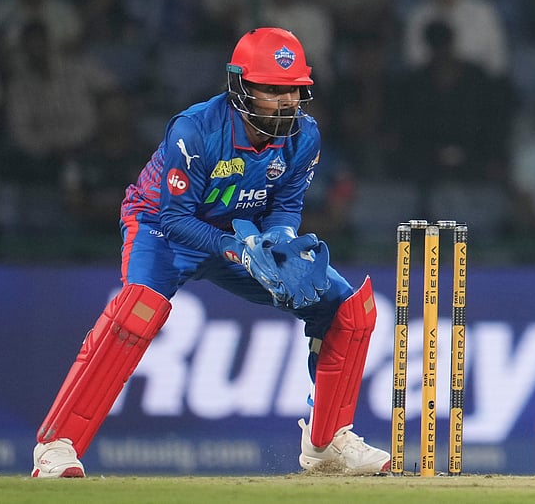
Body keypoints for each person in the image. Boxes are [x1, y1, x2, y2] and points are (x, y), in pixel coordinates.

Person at [31, 28, 389, 478]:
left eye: (294, 89)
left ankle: (327, 444)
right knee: (138, 309)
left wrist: (276, 241)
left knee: (347, 308)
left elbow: (286, 204)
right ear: (240, 87)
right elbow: (175, 218)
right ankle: (56, 445)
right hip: (162, 228)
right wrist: (239, 250)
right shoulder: (194, 130)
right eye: (272, 89)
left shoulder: (305, 136)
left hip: (243, 233)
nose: (286, 101)